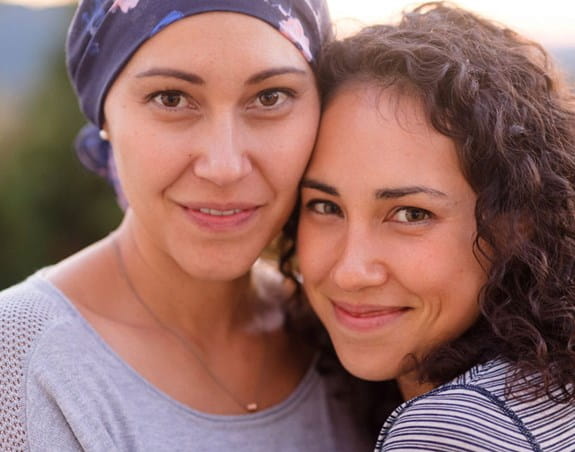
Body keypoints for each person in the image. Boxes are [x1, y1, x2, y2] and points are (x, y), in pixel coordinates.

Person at [0, 0, 379, 450]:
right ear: (105, 117)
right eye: (172, 99)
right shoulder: (21, 360)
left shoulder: (351, 333)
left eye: (269, 97)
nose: (224, 166)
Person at [288, 2, 575, 450]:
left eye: (411, 214)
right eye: (325, 206)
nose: (350, 270)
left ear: (517, 221)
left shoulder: (454, 431)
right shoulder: (545, 390)